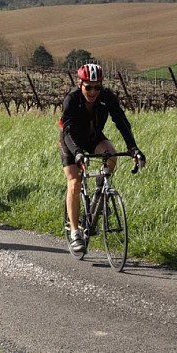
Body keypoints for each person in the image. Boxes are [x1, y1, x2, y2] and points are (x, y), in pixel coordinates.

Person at [59, 63, 146, 253]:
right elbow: (66, 131)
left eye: (97, 86)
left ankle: (100, 192)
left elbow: (122, 123)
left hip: (94, 138)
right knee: (74, 182)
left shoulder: (107, 98)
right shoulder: (72, 100)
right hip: (71, 142)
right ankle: (75, 233)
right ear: (80, 84)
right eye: (88, 87)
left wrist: (133, 148)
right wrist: (77, 153)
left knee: (111, 154)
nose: (92, 91)